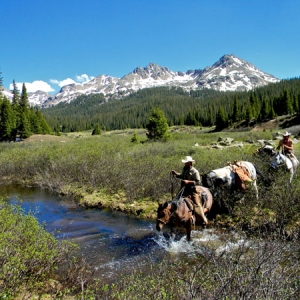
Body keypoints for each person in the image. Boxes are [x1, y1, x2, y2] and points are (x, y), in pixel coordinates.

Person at [171, 156, 208, 225]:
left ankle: (203, 220)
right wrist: (176, 174)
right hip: (183, 189)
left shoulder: (195, 171)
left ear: (190, 163)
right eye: (185, 162)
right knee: (175, 200)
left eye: (186, 162)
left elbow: (198, 182)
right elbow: (182, 176)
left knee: (197, 204)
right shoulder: (184, 169)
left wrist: (188, 182)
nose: (185, 164)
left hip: (191, 190)